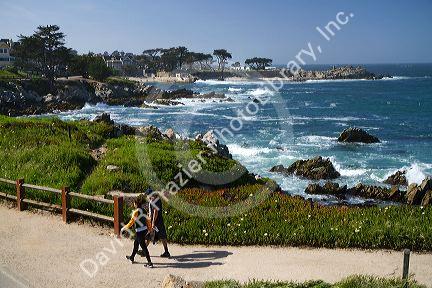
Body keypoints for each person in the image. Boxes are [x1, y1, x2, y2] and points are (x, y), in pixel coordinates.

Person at [121, 197, 153, 268]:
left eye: (134, 204)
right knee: (136, 243)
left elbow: (131, 222)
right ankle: (132, 257)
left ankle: (150, 263)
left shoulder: (135, 212)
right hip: (144, 230)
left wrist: (124, 228)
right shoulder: (144, 210)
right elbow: (148, 221)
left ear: (136, 204)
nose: (134, 205)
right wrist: (150, 229)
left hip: (139, 231)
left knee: (143, 247)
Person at [146, 188, 170, 258]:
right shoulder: (154, 200)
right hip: (158, 221)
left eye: (147, 194)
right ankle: (166, 251)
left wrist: (153, 222)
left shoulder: (155, 200)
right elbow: (152, 211)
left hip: (157, 222)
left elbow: (155, 212)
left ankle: (144, 251)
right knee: (159, 236)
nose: (147, 196)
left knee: (150, 235)